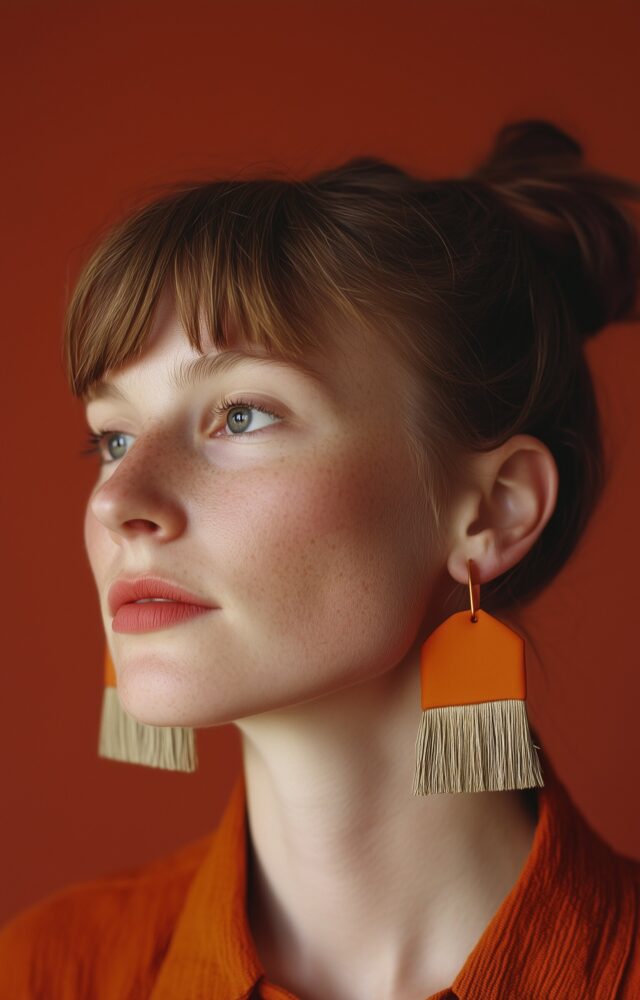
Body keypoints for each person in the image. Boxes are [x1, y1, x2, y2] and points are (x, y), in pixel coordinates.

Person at [1, 119, 639, 999]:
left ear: (494, 510)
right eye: (112, 437)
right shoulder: (40, 975)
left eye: (242, 415)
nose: (119, 503)